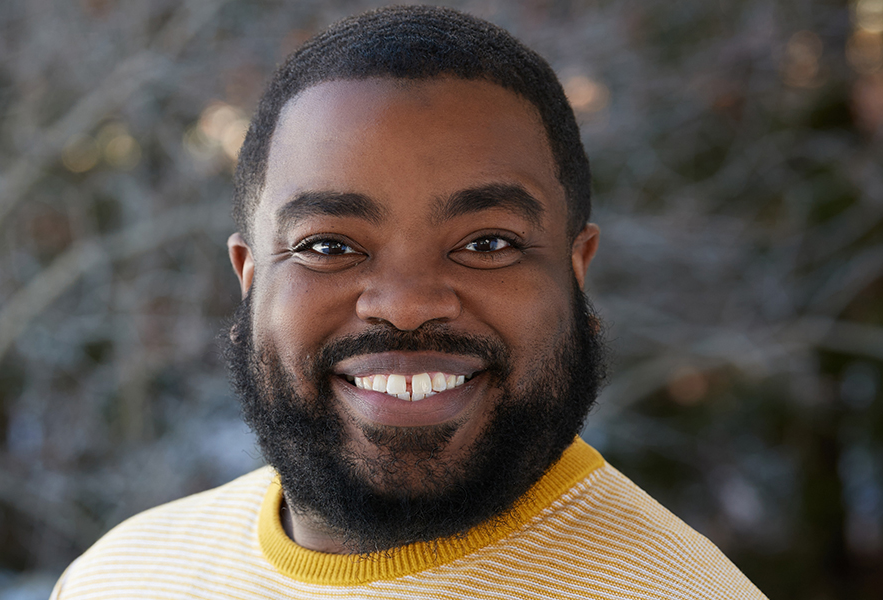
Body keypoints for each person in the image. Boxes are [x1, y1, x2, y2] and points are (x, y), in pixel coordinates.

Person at [50, 6, 766, 599]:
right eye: (328, 246)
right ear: (249, 279)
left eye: (487, 243)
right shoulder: (120, 576)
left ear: (576, 272)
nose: (405, 304)